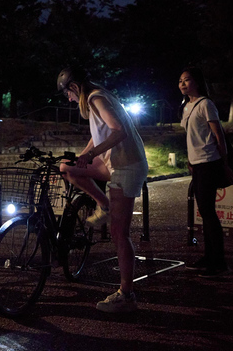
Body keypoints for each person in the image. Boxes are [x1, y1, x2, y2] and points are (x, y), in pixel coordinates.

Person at [57, 67, 148, 313]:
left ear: (74, 87)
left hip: (126, 166)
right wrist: (83, 156)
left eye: (67, 93)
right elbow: (99, 138)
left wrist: (92, 154)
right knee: (67, 168)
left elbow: (119, 130)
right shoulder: (97, 99)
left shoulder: (96, 98)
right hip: (114, 163)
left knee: (120, 233)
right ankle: (104, 204)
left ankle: (126, 295)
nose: (69, 99)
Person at [179, 67, 233, 277]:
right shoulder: (186, 107)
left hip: (210, 162)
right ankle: (209, 256)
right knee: (204, 211)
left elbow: (218, 135)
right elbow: (191, 137)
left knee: (208, 212)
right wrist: (189, 160)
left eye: (187, 80)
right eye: (180, 81)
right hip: (197, 164)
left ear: (198, 82)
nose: (183, 84)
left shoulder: (206, 104)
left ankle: (218, 261)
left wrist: (224, 163)